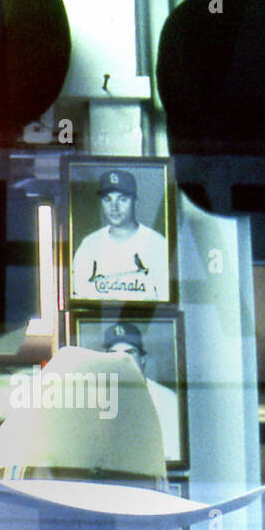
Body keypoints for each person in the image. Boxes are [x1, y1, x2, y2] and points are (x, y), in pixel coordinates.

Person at [72, 169, 168, 300]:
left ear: (135, 201)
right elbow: (78, 299)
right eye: (108, 200)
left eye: (122, 199)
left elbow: (165, 304)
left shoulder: (157, 244)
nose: (114, 207)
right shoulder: (89, 244)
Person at [99, 321, 180, 463]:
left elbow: (173, 459)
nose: (121, 360)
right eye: (113, 354)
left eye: (129, 353)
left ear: (142, 359)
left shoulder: (167, 400)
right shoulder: (94, 399)